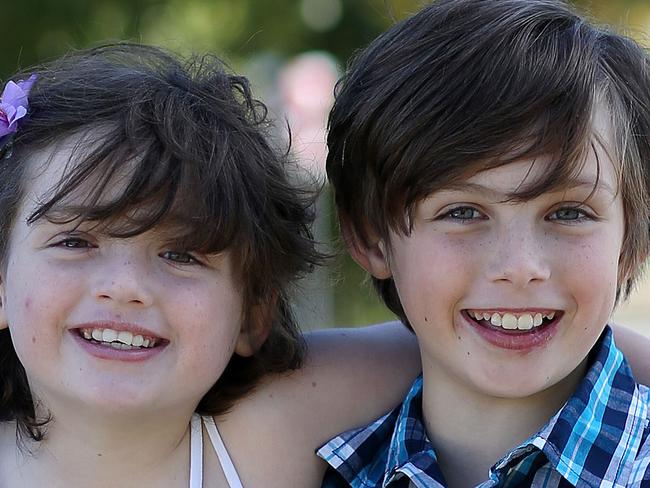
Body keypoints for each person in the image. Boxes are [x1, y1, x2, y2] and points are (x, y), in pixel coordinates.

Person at [0, 41, 648, 488]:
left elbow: (475, 330)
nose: (123, 288)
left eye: (181, 253)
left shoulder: (273, 431)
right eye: (76, 243)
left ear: (254, 313)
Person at [318, 0, 650, 486]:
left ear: (631, 244)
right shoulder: (311, 470)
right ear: (372, 237)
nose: (520, 267)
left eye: (569, 213)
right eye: (463, 212)